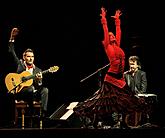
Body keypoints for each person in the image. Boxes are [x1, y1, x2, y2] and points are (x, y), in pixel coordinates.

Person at [74, 7, 144, 129]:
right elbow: (106, 31)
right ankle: (95, 120)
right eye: (110, 35)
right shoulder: (107, 46)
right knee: (103, 102)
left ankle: (122, 122)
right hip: (111, 78)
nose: (112, 36)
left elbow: (119, 31)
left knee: (125, 100)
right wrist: (104, 19)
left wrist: (117, 20)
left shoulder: (118, 45)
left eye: (113, 35)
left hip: (120, 78)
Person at [8, 27, 49, 118]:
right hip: (22, 92)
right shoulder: (20, 64)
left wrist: (39, 81)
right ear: (24, 57)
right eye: (28, 56)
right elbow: (12, 52)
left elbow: (38, 86)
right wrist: (12, 38)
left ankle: (43, 113)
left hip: (33, 94)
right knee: (30, 88)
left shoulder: (38, 70)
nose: (31, 58)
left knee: (45, 90)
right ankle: (32, 112)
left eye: (32, 56)